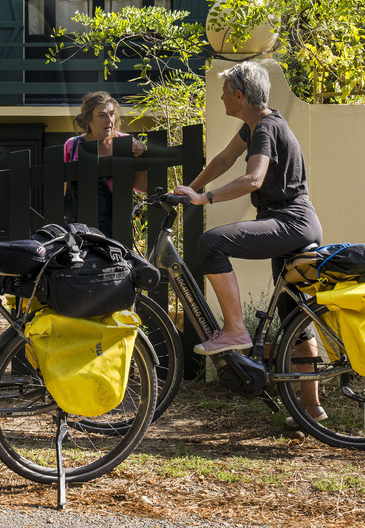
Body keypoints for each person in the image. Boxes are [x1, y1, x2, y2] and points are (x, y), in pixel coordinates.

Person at [169, 61, 322, 357]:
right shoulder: (255, 126)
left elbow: (254, 179)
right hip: (293, 223)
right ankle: (311, 404)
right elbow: (224, 159)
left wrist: (205, 198)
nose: (221, 98)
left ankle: (234, 330)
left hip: (290, 222)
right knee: (294, 317)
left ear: (239, 96)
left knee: (212, 243)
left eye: (224, 92)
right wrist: (191, 188)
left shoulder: (265, 128)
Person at [63, 91, 146, 236]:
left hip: (118, 227)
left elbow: (142, 187)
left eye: (112, 114)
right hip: (80, 227)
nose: (109, 120)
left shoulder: (126, 143)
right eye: (102, 115)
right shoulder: (73, 145)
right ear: (88, 119)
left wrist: (141, 156)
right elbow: (63, 191)